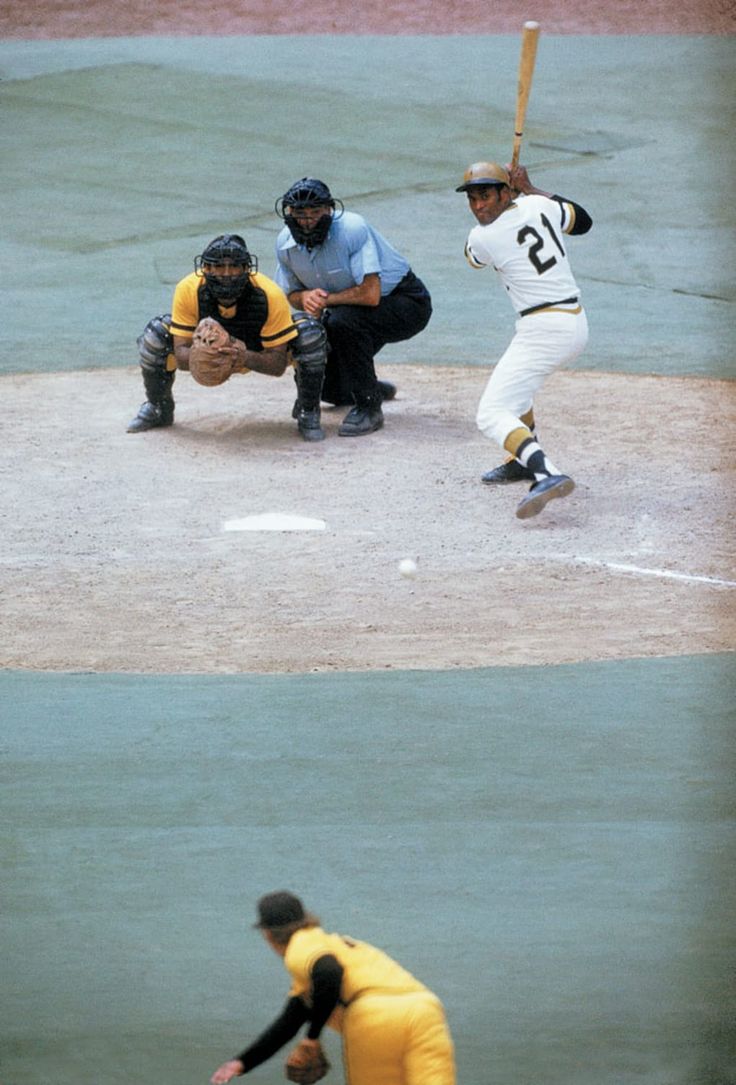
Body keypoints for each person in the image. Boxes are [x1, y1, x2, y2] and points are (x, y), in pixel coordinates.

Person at [456, 161, 592, 519]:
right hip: (573, 322)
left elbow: (473, 260)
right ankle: (521, 459)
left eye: (486, 195)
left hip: (545, 330)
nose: (478, 206)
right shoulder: (540, 204)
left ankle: (545, 472)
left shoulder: (481, 237)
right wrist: (531, 189)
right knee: (518, 390)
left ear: (503, 192)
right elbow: (583, 221)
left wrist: (518, 197)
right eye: (472, 199)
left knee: (490, 414)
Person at [210, 890, 456, 1085]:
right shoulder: (335, 942)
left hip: (375, 1016)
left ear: (269, 935)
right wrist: (242, 1062)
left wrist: (312, 1038)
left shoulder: (300, 946)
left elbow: (328, 971)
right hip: (425, 1008)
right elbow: (291, 1020)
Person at [126, 234, 329, 441]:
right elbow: (180, 354)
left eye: (234, 266)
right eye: (218, 266)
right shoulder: (188, 289)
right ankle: (158, 405)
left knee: (309, 334)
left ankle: (308, 409)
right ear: (205, 268)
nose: (226, 274)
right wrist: (207, 353)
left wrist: (241, 356)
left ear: (246, 268)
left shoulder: (269, 293)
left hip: (254, 350)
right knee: (156, 334)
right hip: (205, 348)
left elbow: (277, 365)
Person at [273, 178, 433, 436]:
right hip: (348, 309)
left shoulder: (352, 229)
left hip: (405, 302)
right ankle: (366, 384)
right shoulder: (284, 244)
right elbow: (291, 292)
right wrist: (304, 298)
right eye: (300, 214)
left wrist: (323, 300)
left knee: (342, 322)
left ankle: (369, 406)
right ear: (289, 213)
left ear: (329, 211)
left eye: (316, 212)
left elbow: (371, 294)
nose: (308, 220)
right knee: (330, 390)